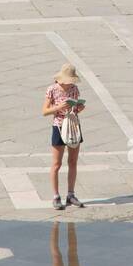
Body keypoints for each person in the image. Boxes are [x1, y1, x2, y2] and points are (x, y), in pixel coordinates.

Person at [42, 63, 86, 211]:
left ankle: (71, 194)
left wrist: (79, 108)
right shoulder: (52, 89)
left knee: (73, 161)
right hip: (58, 126)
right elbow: (45, 111)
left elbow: (75, 108)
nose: (70, 83)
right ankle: (55, 196)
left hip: (73, 125)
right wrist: (58, 108)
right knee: (56, 164)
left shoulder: (74, 89)